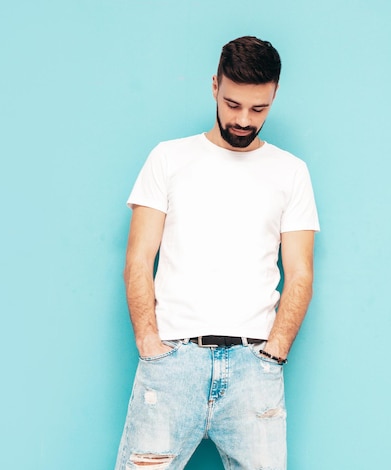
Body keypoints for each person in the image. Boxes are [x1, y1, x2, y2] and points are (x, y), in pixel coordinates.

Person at [115, 36, 320, 470]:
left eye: (258, 109)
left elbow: (300, 273)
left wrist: (275, 352)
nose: (244, 119)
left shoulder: (291, 171)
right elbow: (138, 260)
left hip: (255, 369)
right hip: (172, 362)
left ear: (274, 95)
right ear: (214, 86)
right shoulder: (168, 158)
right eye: (233, 104)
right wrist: (150, 345)